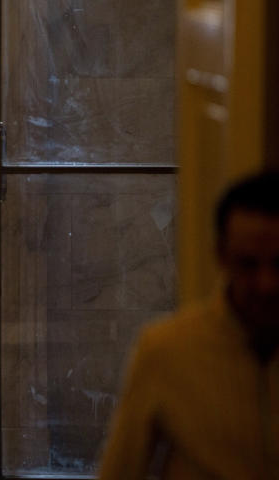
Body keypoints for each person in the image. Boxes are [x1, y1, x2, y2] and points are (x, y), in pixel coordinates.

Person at [97, 171, 279, 480]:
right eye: (248, 264)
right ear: (221, 255)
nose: (267, 284)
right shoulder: (168, 350)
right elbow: (121, 469)